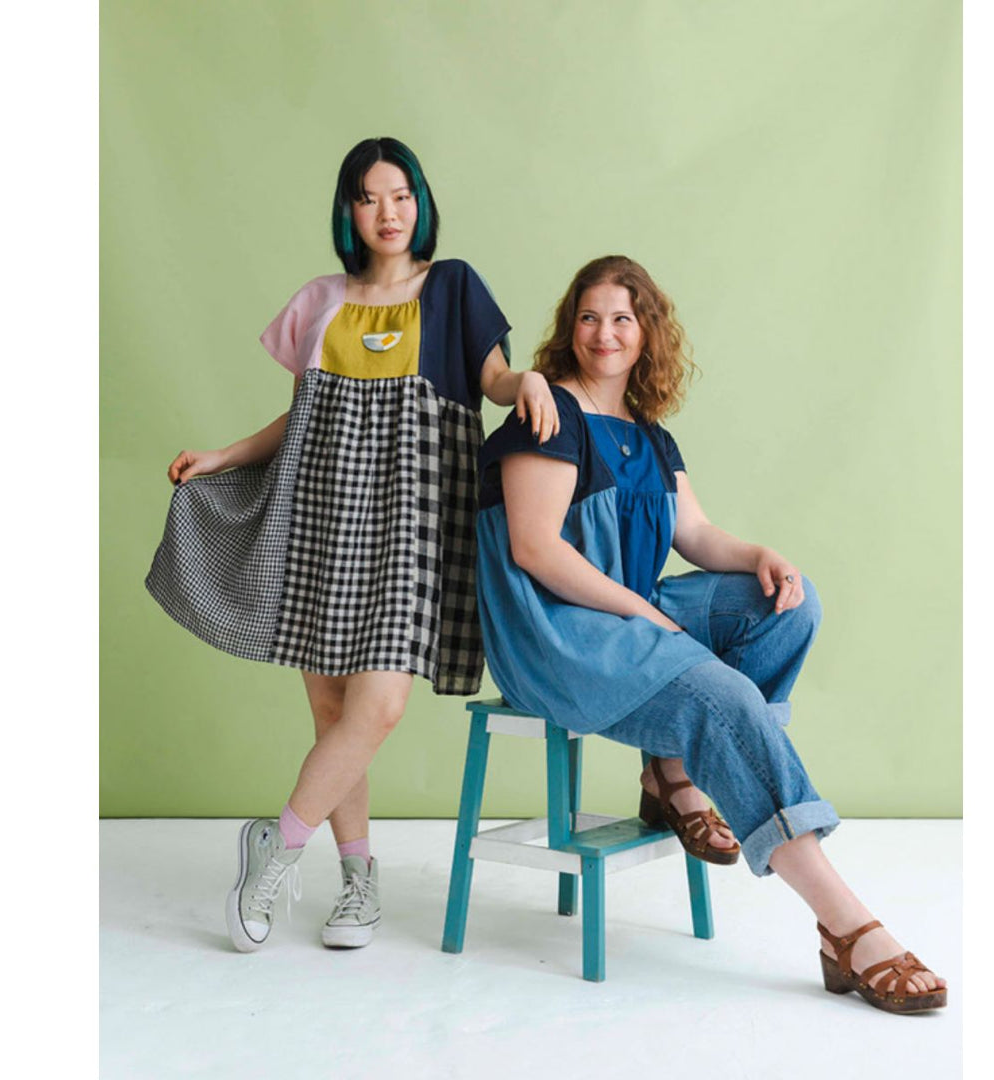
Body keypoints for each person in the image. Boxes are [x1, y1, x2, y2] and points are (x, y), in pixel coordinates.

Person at [474, 255, 946, 1013]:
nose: (604, 333)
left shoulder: (649, 435)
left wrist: (760, 555)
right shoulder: (549, 413)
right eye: (589, 317)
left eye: (622, 318)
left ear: (646, 332)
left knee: (791, 606)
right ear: (571, 328)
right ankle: (846, 925)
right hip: (558, 634)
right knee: (722, 699)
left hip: (626, 611)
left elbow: (692, 532)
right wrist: (647, 616)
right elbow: (534, 548)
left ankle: (676, 768)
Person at [146, 137, 559, 953]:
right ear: (349, 211)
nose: (388, 213)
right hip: (324, 518)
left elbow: (495, 379)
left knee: (379, 706)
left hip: (414, 520)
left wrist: (530, 382)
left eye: (401, 195)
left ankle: (275, 849)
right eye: (369, 198)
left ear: (421, 202)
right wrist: (223, 457)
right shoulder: (318, 301)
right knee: (334, 713)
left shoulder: (454, 287)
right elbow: (299, 423)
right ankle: (359, 883)